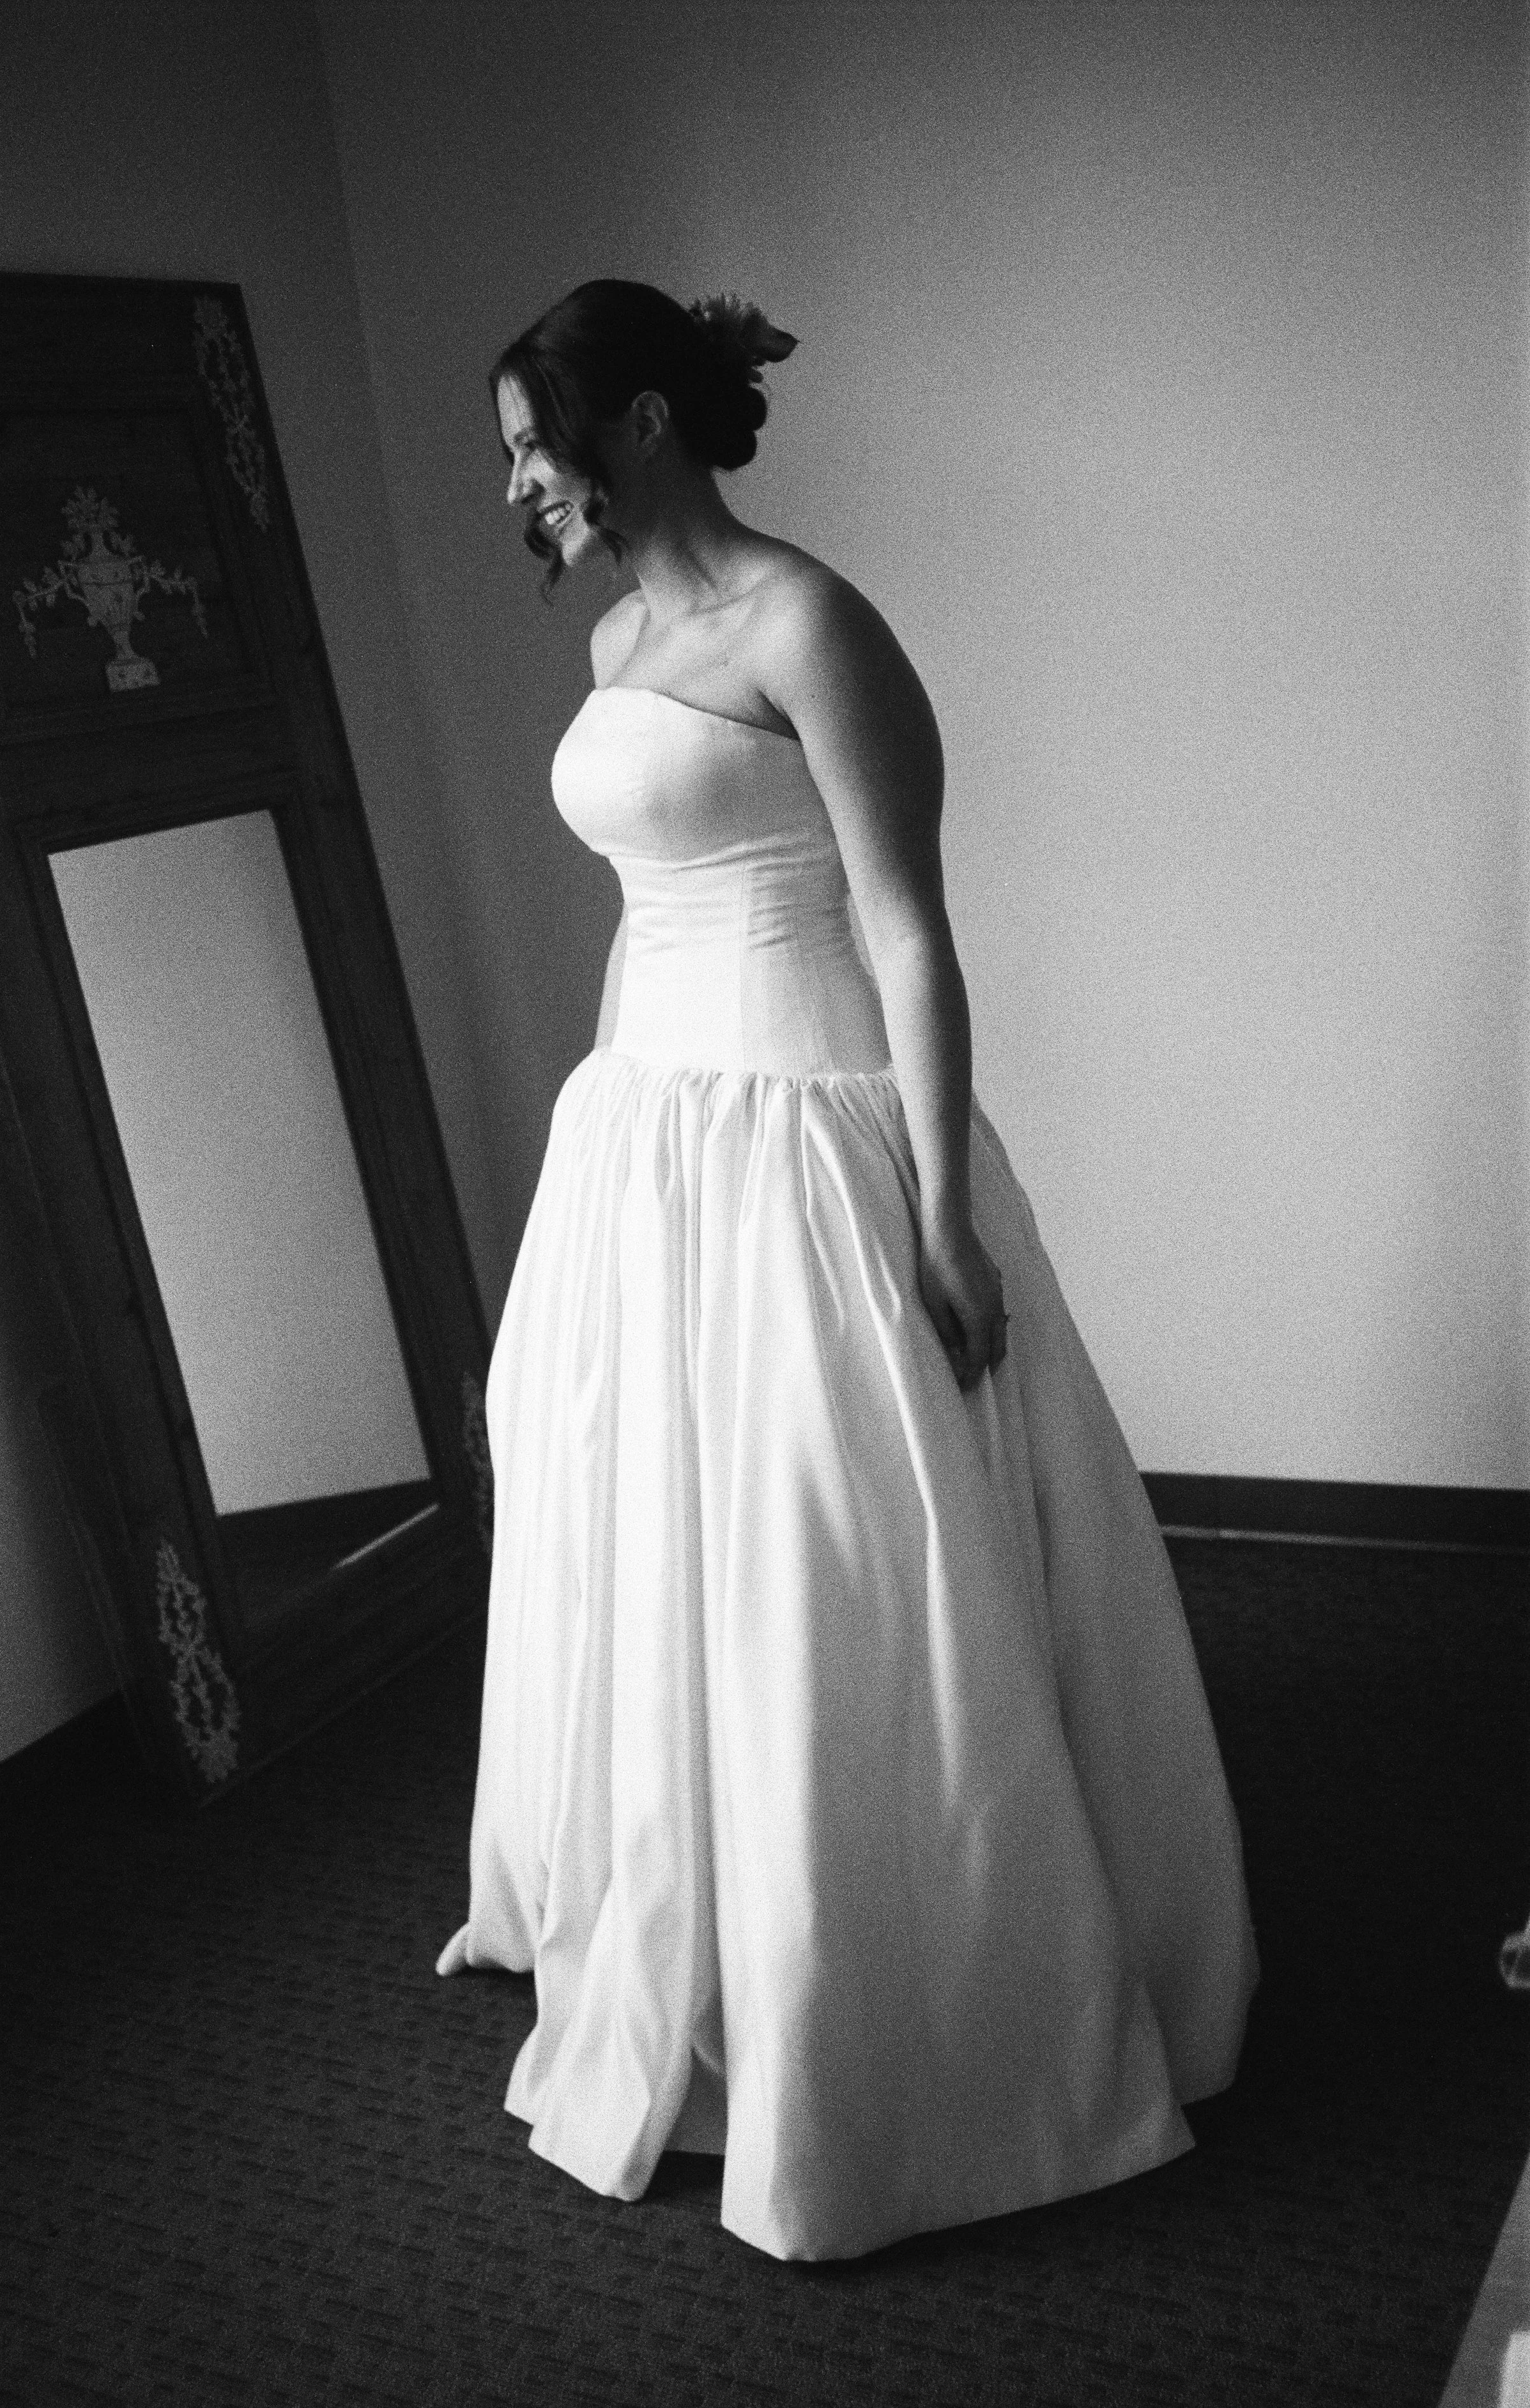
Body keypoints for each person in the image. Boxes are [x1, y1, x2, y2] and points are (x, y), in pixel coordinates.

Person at [436, 278, 1258, 2264]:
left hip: (817, 1121)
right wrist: (615, 1132)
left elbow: (906, 932)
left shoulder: (811, 622)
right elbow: (649, 901)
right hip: (656, 1133)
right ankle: (681, 1930)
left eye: (535, 447)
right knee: (659, 1538)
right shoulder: (628, 634)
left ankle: (903, 2011)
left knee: (837, 1560)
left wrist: (936, 1208)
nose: (523, 491)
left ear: (641, 421)